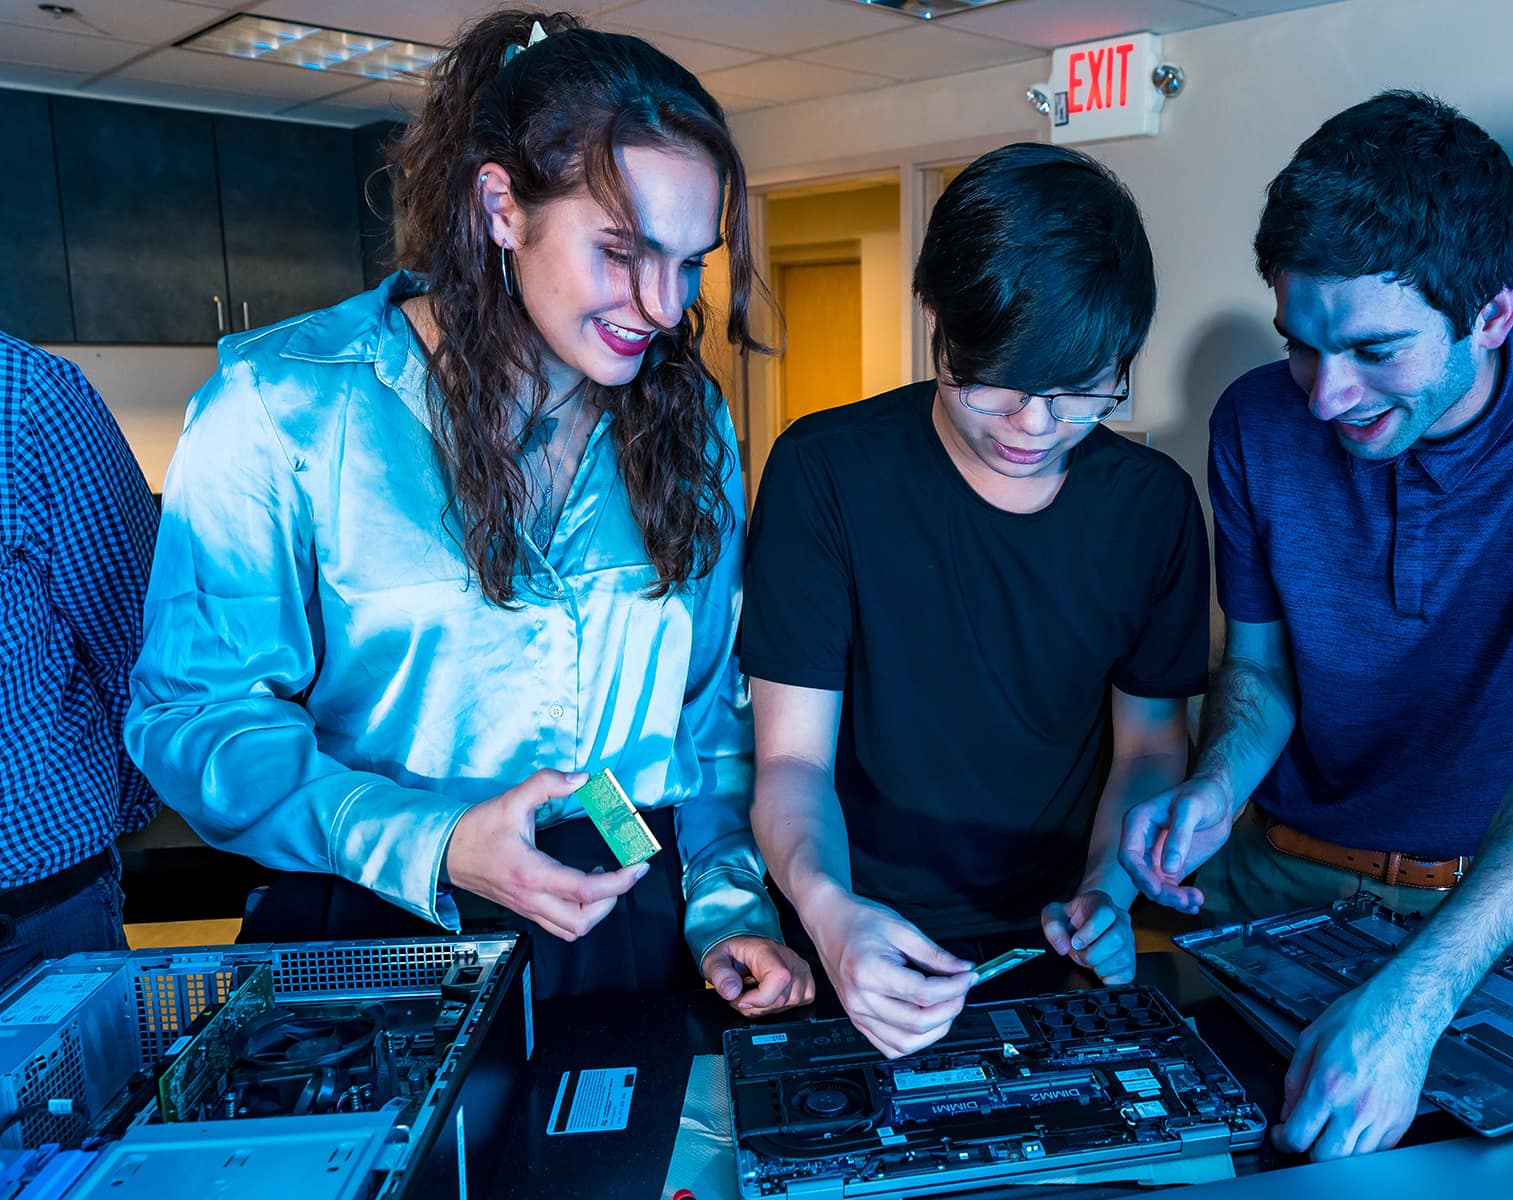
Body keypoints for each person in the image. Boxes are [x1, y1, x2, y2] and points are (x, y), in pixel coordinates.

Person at [126, 12, 809, 1010]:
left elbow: (703, 723)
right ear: (501, 205)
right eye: (621, 251)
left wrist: (725, 903)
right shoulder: (279, 408)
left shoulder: (683, 415)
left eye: (690, 261)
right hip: (374, 925)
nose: (665, 307)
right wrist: (434, 840)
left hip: (621, 917)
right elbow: (195, 719)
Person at [1120, 92, 1513, 1158]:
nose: (1321, 396)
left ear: (1491, 313)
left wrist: (1414, 999)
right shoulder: (1255, 419)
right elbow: (1257, 672)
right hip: (1272, 884)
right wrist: (1213, 789)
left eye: (1373, 352)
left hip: (1494, 917)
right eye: (1299, 346)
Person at [744, 144, 1209, 1057]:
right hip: (852, 929)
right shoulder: (826, 472)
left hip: (1054, 939)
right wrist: (831, 914)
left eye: (1082, 391)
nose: (1034, 425)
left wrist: (1109, 889)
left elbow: (1152, 743)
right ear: (937, 321)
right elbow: (790, 766)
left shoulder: (1151, 506)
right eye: (998, 383)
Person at [0, 331, 159, 984]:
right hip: (39, 882)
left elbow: (138, 634)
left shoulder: (29, 400)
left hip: (33, 913)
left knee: (80, 1087)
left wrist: (123, 804)